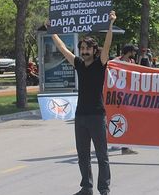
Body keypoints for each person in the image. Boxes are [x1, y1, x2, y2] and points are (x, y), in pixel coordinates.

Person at [51, 11, 116, 195]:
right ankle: (86, 188)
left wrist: (110, 24)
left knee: (102, 157)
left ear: (94, 51)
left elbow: (107, 45)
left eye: (88, 49)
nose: (84, 52)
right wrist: (52, 30)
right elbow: (63, 48)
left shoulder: (100, 63)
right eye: (82, 49)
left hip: (97, 115)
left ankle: (104, 189)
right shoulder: (79, 63)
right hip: (80, 116)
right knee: (83, 156)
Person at [113, 44, 139, 155]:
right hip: (116, 94)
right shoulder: (116, 61)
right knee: (116, 118)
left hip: (128, 95)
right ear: (129, 51)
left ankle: (124, 146)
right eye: (133, 51)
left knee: (127, 119)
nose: (134, 53)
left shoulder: (132, 62)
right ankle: (116, 141)